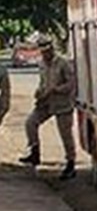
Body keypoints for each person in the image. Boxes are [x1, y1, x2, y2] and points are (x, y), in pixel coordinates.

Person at [18, 37, 77, 180]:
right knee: (30, 123)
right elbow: (42, 82)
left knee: (66, 135)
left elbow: (71, 84)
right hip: (46, 103)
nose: (45, 54)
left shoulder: (63, 63)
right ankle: (35, 152)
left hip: (62, 104)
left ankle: (70, 164)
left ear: (52, 49)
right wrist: (39, 92)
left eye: (47, 51)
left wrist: (56, 89)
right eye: (43, 52)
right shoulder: (42, 64)